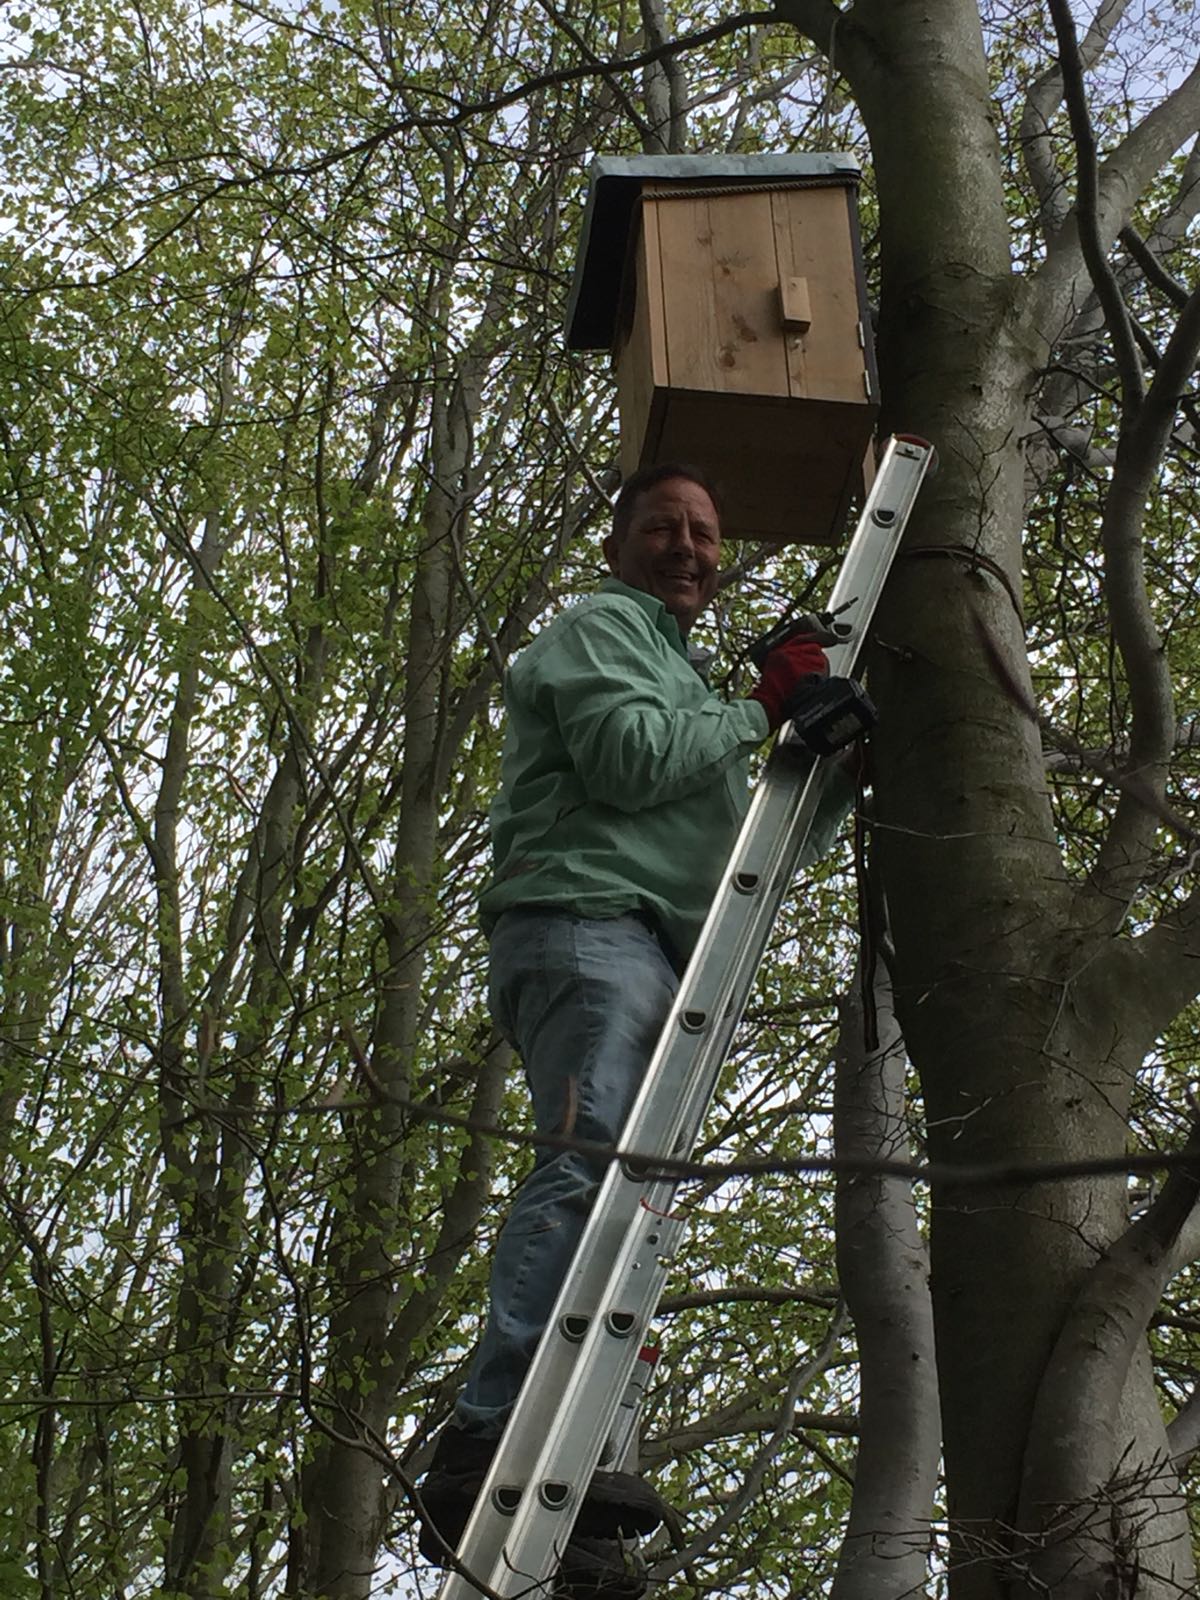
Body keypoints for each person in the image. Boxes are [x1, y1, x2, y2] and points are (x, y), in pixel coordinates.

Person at [418, 464, 853, 1592]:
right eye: (664, 527)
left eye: (707, 532)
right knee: (593, 1155)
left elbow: (740, 862)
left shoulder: (683, 673)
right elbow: (626, 760)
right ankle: (487, 1432)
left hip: (651, 941)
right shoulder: (606, 626)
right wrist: (759, 704)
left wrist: (833, 752)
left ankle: (572, 1477)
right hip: (582, 922)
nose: (690, 547)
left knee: (631, 1195)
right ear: (620, 547)